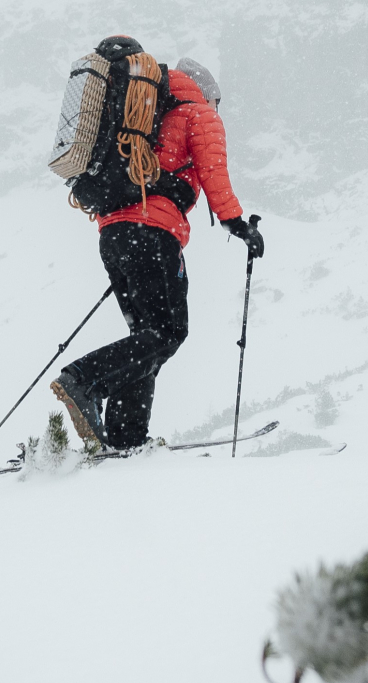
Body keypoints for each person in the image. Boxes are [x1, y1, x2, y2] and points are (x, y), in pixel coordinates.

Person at [50, 36, 263, 452]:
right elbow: (214, 173)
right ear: (208, 92)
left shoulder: (146, 114)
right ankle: (84, 380)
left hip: (112, 232)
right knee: (167, 332)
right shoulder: (198, 112)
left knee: (146, 336)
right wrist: (239, 226)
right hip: (152, 230)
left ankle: (126, 439)